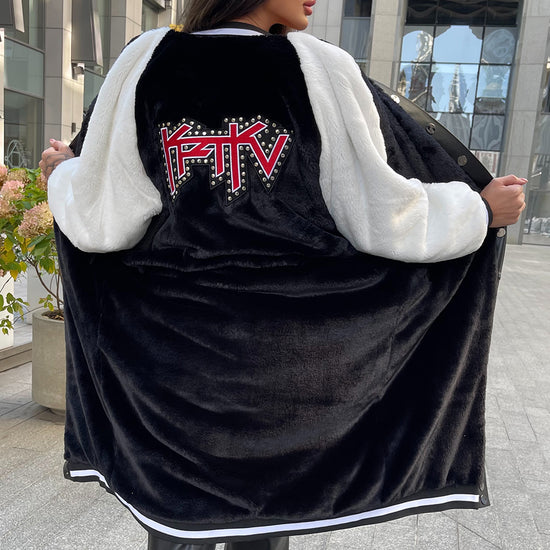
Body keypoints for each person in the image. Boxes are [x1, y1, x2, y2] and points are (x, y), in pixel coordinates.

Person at [40, 1, 526, 549]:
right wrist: (477, 211)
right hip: (284, 374)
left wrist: (65, 174)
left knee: (175, 524)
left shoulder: (143, 61)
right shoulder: (319, 68)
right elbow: (380, 216)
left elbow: (103, 218)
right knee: (267, 525)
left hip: (169, 371)